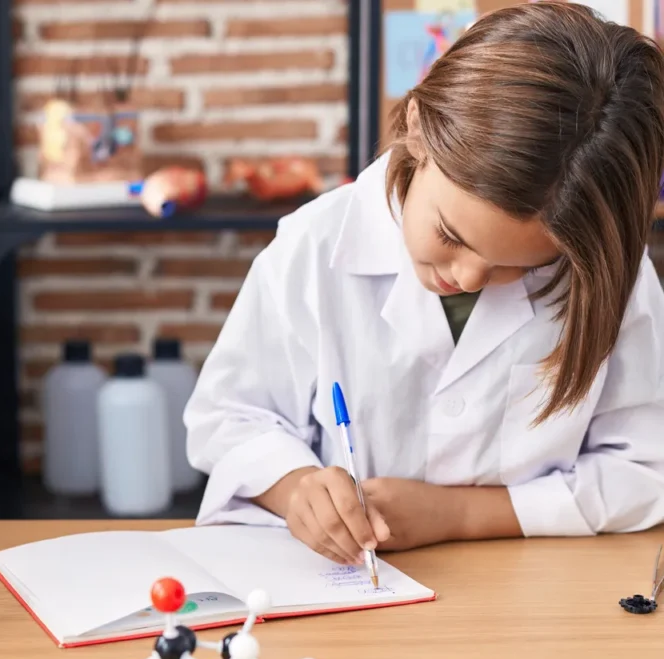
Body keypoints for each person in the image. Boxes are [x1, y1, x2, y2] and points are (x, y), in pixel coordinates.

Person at [184, 2, 664, 566]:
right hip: (340, 589)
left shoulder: (610, 277)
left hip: (531, 593)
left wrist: (458, 514)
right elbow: (226, 418)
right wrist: (295, 489)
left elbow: (645, 469)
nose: (466, 276)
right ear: (417, 129)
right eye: (451, 234)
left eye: (520, 266)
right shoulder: (314, 243)